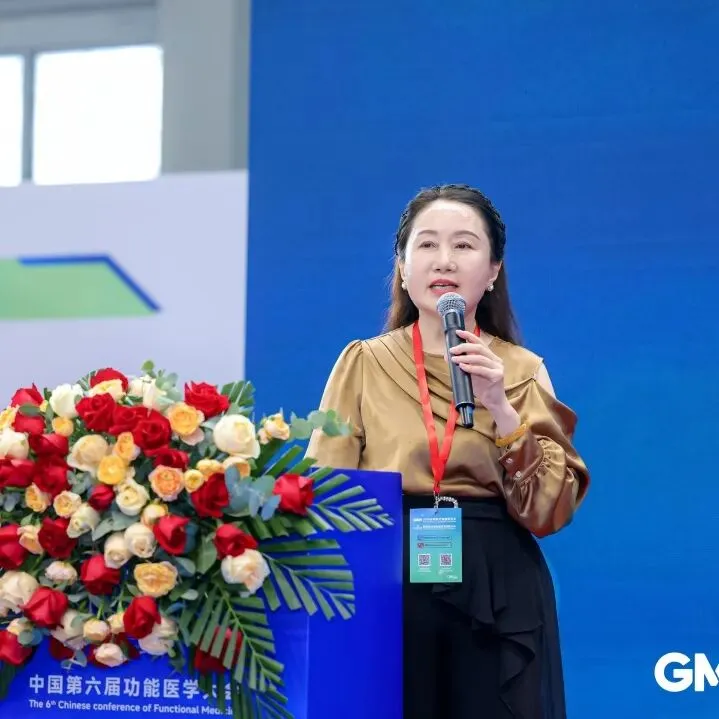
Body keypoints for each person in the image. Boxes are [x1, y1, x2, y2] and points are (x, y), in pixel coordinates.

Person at [306, 184, 590, 719]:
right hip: (385, 579)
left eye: (463, 245)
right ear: (402, 267)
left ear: (493, 271)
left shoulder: (521, 369)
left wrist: (499, 407)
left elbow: (550, 508)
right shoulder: (363, 363)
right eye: (427, 244)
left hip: (496, 587)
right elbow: (325, 496)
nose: (444, 260)